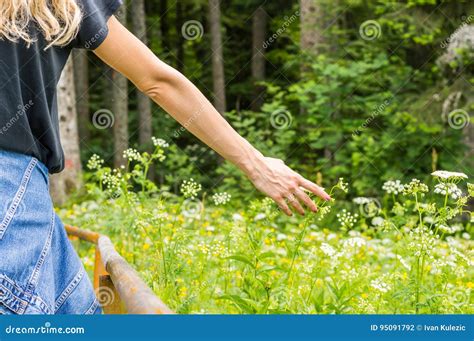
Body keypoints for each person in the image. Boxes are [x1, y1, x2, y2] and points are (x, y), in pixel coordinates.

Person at [0, 0, 330, 315]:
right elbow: (157, 80)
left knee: (77, 311)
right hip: (13, 189)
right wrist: (255, 165)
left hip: (26, 196)